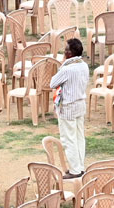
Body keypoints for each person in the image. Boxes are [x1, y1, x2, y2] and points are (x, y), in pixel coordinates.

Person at [50, 38, 90, 179]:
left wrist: (63, 64)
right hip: (80, 105)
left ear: (69, 53)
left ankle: (75, 170)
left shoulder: (67, 69)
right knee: (79, 137)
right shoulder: (84, 65)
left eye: (65, 50)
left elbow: (52, 83)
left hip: (68, 108)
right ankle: (80, 167)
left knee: (69, 139)